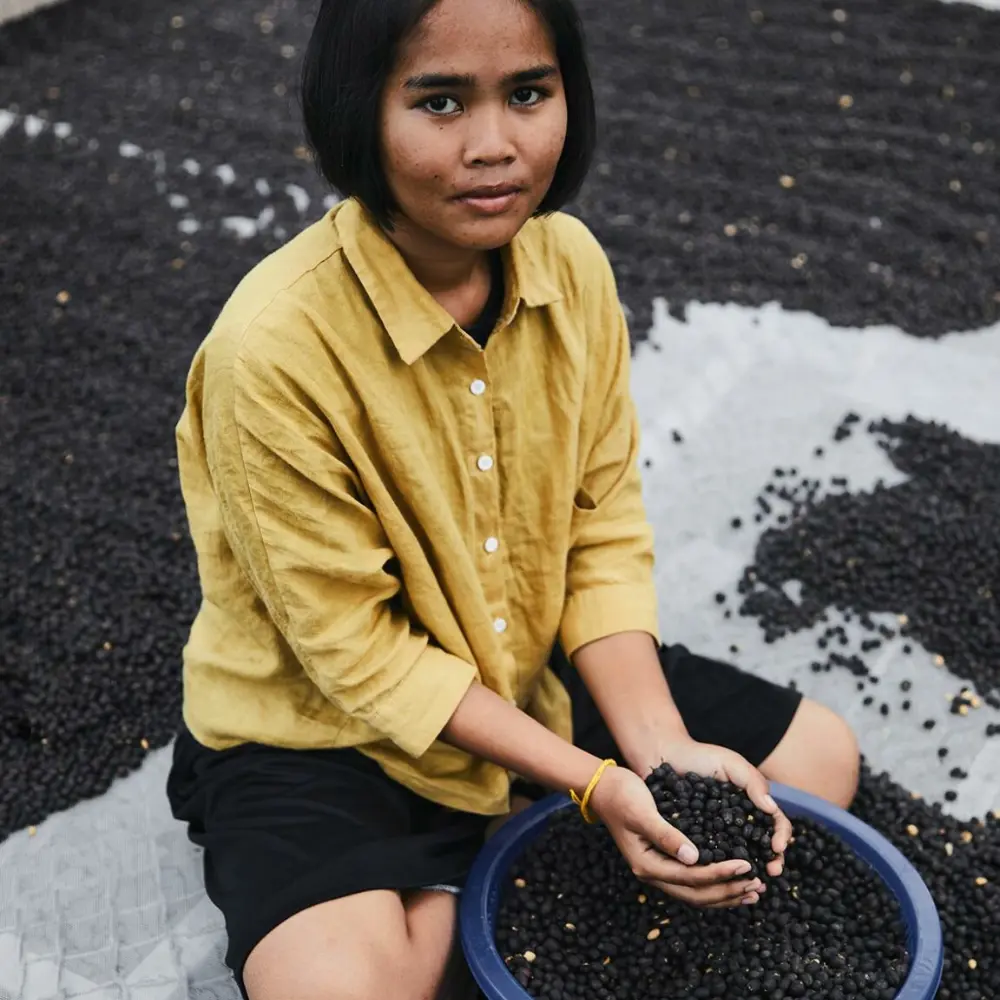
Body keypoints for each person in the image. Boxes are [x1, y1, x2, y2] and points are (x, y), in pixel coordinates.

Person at [166, 1, 861, 998]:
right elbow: (355, 653)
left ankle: (508, 839)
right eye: (439, 101)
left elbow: (599, 527)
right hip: (328, 729)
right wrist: (585, 780)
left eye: (527, 94)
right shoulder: (270, 353)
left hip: (523, 661)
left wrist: (658, 754)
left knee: (819, 764)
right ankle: (479, 861)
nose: (494, 146)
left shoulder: (570, 268)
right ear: (359, 108)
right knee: (335, 986)